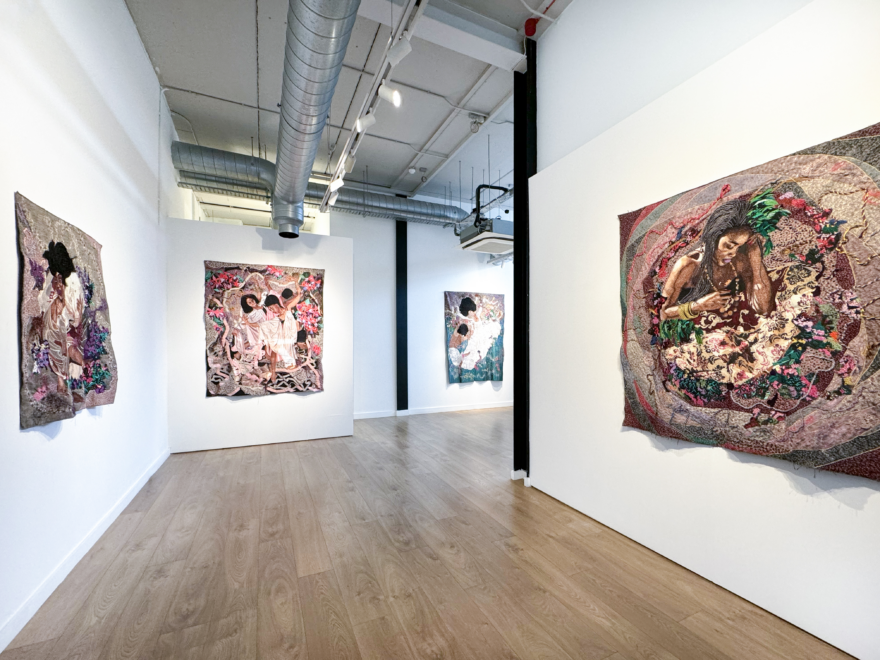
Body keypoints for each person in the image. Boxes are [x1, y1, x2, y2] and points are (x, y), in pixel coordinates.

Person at [660, 198, 774, 323]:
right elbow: (663, 313)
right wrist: (697, 306)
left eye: (739, 247)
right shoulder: (689, 265)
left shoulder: (739, 261)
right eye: (729, 246)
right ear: (714, 237)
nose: (733, 253)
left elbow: (763, 308)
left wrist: (756, 259)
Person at [37, 241, 85, 391]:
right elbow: (44, 299)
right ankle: (60, 377)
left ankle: (83, 369)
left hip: (69, 320)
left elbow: (77, 307)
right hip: (56, 318)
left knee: (67, 345)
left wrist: (73, 316)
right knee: (55, 334)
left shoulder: (73, 280)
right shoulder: (54, 277)